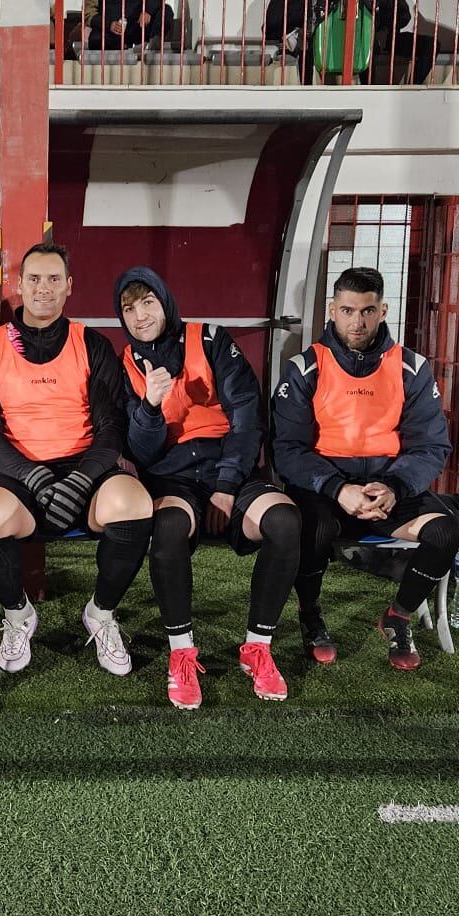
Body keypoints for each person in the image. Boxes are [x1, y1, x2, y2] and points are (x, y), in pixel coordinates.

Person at [0, 244, 154, 676]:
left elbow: (111, 428)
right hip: (20, 473)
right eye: (33, 278)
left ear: (69, 286)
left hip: (86, 470)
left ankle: (101, 614)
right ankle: (18, 615)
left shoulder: (92, 343)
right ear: (18, 285)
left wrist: (79, 481)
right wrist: (34, 477)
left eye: (53, 279)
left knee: (136, 505)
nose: (43, 288)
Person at [117, 267, 301, 709]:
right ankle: (181, 654)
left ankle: (257, 647)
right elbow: (141, 452)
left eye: (148, 303)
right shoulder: (126, 363)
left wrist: (226, 484)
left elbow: (246, 415)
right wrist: (150, 405)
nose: (139, 315)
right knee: (166, 532)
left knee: (285, 522)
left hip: (229, 473)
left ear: (165, 301)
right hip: (174, 478)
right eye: (128, 308)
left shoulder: (210, 339)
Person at [271, 267, 458, 673]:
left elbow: (431, 446)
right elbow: (286, 449)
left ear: (383, 310)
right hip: (328, 492)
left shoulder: (411, 368)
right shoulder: (306, 367)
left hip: (388, 491)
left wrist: (393, 486)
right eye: (348, 310)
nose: (357, 322)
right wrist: (338, 488)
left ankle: (398, 616)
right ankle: (311, 613)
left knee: (446, 532)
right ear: (332, 310)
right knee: (313, 528)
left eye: (368, 311)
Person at [263, 0, 338, 86]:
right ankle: (307, 88)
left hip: (322, 42)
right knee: (306, 44)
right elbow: (270, 26)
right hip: (297, 46)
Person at [357, 0, 434, 85]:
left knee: (431, 43)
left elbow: (405, 16)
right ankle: (368, 89)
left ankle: (414, 86)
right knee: (370, 44)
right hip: (365, 39)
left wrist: (388, 24)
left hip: (391, 38)